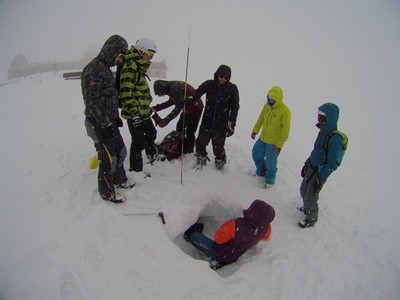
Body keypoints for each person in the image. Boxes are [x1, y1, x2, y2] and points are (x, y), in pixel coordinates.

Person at [81, 34, 133, 203]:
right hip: (98, 123)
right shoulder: (93, 69)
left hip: (109, 121)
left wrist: (115, 118)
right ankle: (107, 192)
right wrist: (105, 123)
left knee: (121, 152)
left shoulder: (105, 69)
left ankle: (120, 179)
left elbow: (109, 97)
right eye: (120, 55)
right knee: (108, 158)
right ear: (112, 51)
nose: (120, 60)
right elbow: (91, 101)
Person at [184, 200, 275, 270]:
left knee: (195, 236)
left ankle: (190, 236)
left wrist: (228, 225)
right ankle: (220, 262)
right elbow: (266, 236)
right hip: (235, 254)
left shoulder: (236, 225)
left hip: (220, 251)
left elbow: (218, 238)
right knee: (227, 255)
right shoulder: (265, 228)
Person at [299, 102, 343, 228]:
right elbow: (317, 150)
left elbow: (332, 163)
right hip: (311, 167)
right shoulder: (322, 132)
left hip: (319, 172)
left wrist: (322, 178)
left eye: (323, 118)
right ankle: (307, 208)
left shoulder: (335, 139)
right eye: (319, 117)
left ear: (331, 119)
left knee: (311, 196)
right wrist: (308, 161)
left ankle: (311, 218)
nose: (320, 121)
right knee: (303, 189)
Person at [118, 38, 158, 173]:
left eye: (152, 55)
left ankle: (153, 156)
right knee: (138, 142)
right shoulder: (130, 66)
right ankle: (136, 170)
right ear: (141, 51)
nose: (150, 58)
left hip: (144, 111)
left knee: (151, 133)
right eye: (149, 54)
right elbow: (126, 91)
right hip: (135, 113)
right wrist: (134, 112)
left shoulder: (138, 66)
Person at [192, 65, 240, 170]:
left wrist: (232, 124)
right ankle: (201, 157)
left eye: (226, 77)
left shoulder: (232, 89)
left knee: (218, 146)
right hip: (207, 121)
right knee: (200, 143)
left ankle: (220, 160)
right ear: (217, 74)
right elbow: (196, 93)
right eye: (221, 76)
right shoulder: (209, 84)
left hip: (221, 124)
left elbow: (235, 108)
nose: (223, 79)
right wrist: (188, 99)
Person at [251, 86, 291, 188]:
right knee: (256, 154)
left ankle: (270, 179)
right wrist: (255, 130)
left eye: (273, 100)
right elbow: (261, 119)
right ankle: (261, 171)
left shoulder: (285, 111)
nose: (270, 101)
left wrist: (279, 144)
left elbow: (285, 130)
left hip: (273, 143)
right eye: (269, 99)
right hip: (263, 138)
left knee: (271, 162)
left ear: (278, 99)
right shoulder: (266, 106)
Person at [151, 80, 204, 153]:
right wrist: (155, 108)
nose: (161, 95)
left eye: (160, 93)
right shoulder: (171, 88)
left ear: (163, 88)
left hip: (196, 108)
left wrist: (167, 120)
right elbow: (171, 102)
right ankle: (181, 146)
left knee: (190, 131)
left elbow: (178, 108)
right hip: (187, 109)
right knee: (179, 127)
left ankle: (189, 150)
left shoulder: (174, 87)